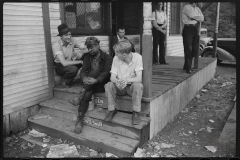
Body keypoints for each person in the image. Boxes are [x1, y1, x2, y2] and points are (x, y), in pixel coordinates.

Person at [68, 37, 113, 134]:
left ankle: (79, 96)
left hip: (101, 84)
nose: (90, 50)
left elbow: (106, 73)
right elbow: (83, 70)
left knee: (94, 73)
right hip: (89, 84)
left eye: (92, 47)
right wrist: (84, 78)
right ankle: (79, 121)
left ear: (98, 45)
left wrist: (96, 80)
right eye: (88, 47)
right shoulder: (87, 57)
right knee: (87, 94)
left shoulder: (107, 57)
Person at [104, 40, 143, 125]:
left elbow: (139, 78)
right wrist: (117, 81)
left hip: (130, 88)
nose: (115, 55)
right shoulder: (116, 58)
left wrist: (126, 80)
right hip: (119, 87)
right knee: (108, 85)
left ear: (124, 55)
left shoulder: (138, 57)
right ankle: (112, 110)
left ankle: (135, 113)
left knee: (138, 85)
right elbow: (112, 77)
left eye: (117, 53)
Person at [52, 23, 86, 88]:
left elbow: (88, 48)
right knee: (73, 69)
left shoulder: (72, 40)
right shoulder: (56, 45)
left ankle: (85, 79)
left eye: (70, 34)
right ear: (61, 36)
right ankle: (64, 81)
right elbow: (64, 63)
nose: (69, 37)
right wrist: (80, 62)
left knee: (86, 56)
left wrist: (81, 51)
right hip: (60, 67)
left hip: (70, 61)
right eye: (66, 35)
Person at [182, 2, 204, 73]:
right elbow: (191, 16)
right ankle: (188, 67)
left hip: (195, 28)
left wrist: (195, 18)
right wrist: (197, 17)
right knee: (188, 48)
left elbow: (202, 18)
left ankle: (186, 66)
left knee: (194, 49)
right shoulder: (186, 7)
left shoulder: (197, 9)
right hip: (188, 28)